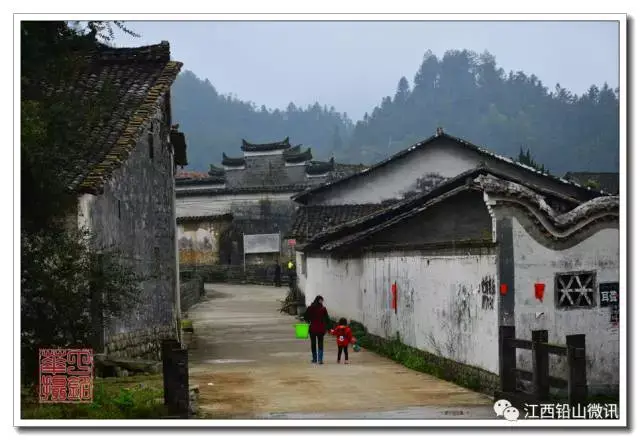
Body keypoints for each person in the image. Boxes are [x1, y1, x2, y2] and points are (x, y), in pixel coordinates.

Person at [303, 295, 330, 364]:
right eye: (321, 300)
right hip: (321, 329)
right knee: (320, 344)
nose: (322, 302)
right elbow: (327, 319)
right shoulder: (323, 309)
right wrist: (328, 327)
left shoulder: (310, 308)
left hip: (313, 329)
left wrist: (309, 321)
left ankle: (315, 359)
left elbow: (305, 316)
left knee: (313, 344)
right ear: (319, 300)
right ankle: (320, 359)